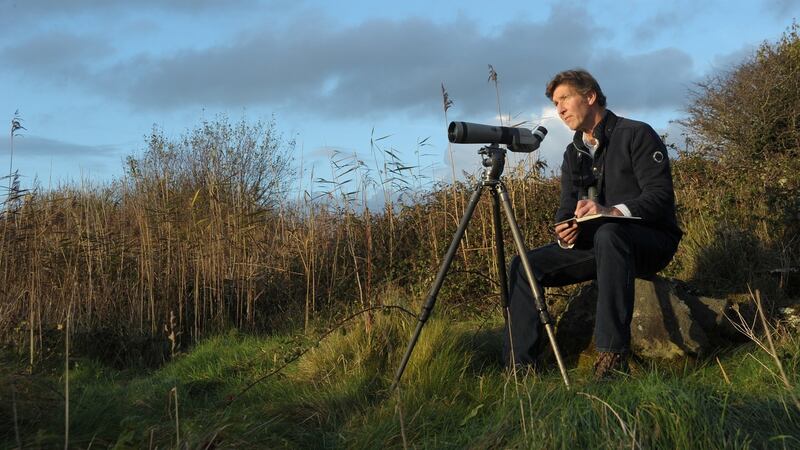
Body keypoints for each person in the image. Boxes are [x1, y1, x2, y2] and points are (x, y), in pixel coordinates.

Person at [504, 69, 683, 378]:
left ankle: (612, 356)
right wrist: (566, 232)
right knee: (524, 265)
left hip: (650, 240)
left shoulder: (636, 134)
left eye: (564, 99)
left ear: (590, 96)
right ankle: (521, 368)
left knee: (610, 233)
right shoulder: (573, 153)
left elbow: (660, 197)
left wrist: (611, 210)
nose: (558, 109)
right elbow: (565, 211)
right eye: (554, 102)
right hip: (598, 245)